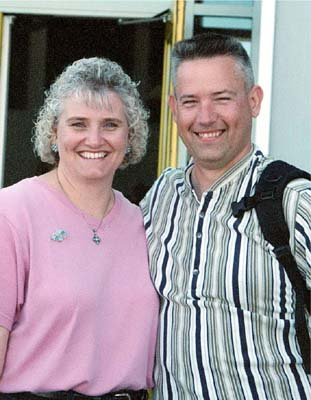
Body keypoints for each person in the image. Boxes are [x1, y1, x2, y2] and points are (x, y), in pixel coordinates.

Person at [140, 32, 311, 399]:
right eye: (190, 101)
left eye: (222, 98)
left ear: (253, 101)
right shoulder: (159, 198)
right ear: (173, 109)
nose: (205, 117)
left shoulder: (294, 202)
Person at [0, 57, 159, 400]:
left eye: (110, 125)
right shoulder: (12, 212)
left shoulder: (141, 222)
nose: (94, 138)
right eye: (78, 123)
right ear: (54, 133)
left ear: (130, 136)